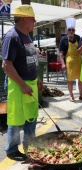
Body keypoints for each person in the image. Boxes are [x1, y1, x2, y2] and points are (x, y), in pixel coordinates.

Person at [1, 5, 43, 161]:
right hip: (18, 84)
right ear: (24, 18)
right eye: (32, 18)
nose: (34, 21)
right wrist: (23, 85)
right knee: (17, 118)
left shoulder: (26, 35)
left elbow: (29, 59)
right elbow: (6, 66)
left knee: (31, 117)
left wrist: (37, 78)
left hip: (30, 83)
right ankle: (12, 150)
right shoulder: (12, 37)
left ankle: (30, 145)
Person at [59, 18, 82, 102]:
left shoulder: (78, 37)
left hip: (79, 61)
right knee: (70, 80)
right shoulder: (63, 39)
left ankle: (81, 94)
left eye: (72, 29)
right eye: (69, 30)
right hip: (69, 62)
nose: (71, 31)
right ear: (67, 30)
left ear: (74, 30)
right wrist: (63, 64)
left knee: (81, 79)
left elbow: (81, 49)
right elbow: (61, 53)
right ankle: (71, 95)